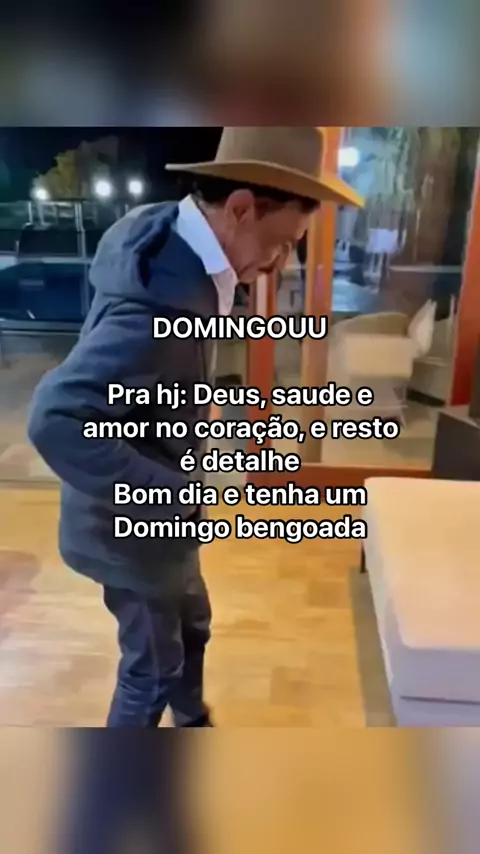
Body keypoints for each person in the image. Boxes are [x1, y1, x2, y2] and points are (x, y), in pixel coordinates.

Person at [28, 127, 362, 728]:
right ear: (240, 208)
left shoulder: (172, 246)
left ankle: (193, 725)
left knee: (194, 627)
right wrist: (173, 493)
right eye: (282, 243)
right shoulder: (155, 305)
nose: (281, 263)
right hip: (128, 535)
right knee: (151, 671)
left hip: (159, 525)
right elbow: (56, 418)